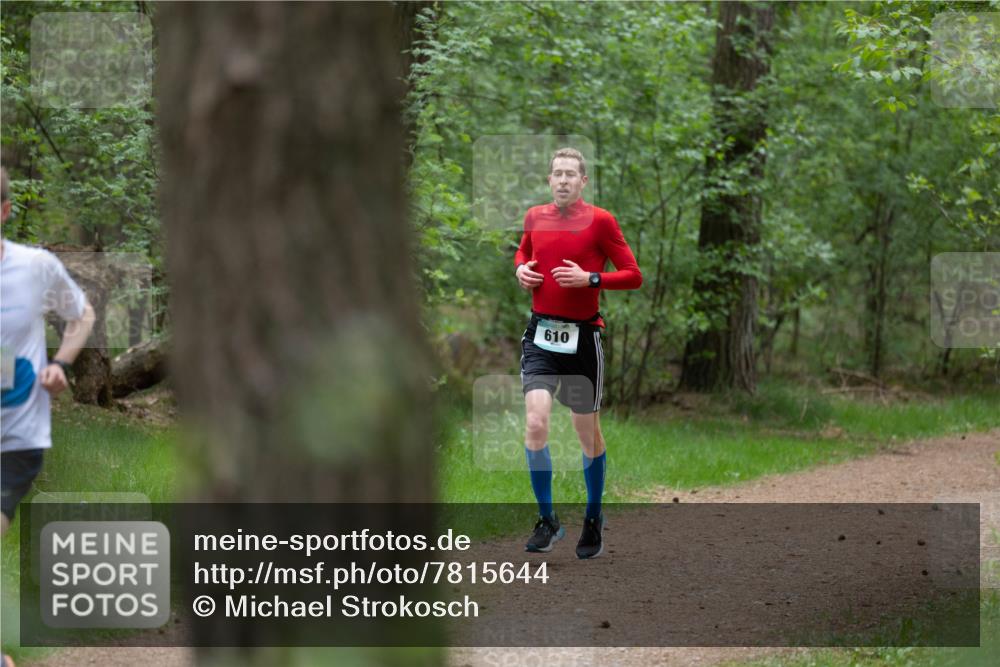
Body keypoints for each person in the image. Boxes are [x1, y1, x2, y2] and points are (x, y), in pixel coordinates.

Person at [514, 147, 641, 559]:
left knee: (587, 435)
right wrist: (520, 269)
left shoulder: (601, 221)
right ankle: (547, 519)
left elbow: (633, 275)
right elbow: (524, 251)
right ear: (549, 180)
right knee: (536, 423)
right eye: (558, 173)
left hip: (583, 340)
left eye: (571, 174)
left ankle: (593, 515)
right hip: (540, 336)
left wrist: (591, 278)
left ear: (583, 181)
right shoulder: (535, 216)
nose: (564, 180)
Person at [1, 166, 95, 537]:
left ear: (4, 211)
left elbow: (82, 315)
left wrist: (60, 364)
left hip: (16, 437)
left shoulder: (35, 267)